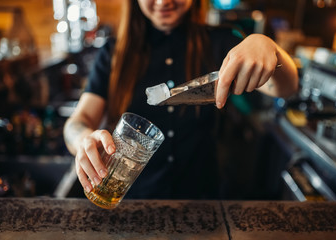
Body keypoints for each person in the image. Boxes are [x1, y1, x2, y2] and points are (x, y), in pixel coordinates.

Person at [63, 0, 298, 199]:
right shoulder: (113, 53)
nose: (164, 1)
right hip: (133, 204)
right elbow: (77, 122)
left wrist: (269, 47)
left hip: (204, 201)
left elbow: (287, 88)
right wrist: (84, 139)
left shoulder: (222, 41)